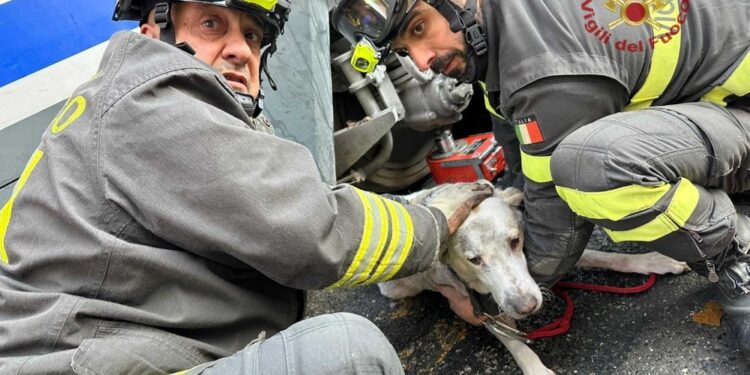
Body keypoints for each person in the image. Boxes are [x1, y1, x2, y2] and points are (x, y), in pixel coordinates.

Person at [0, 0, 494, 373]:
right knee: (343, 353)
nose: (241, 49)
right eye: (212, 24)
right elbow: (312, 231)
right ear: (155, 30)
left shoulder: (123, 101)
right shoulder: (152, 100)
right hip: (90, 362)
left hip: (119, 351)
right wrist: (433, 225)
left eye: (254, 36)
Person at [331, 0, 750, 359]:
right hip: (711, 105)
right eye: (407, 50)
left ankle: (734, 251)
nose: (423, 62)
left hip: (741, 112)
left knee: (591, 168)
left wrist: (487, 294)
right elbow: (523, 172)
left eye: (420, 28)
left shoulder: (542, 71)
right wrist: (507, 229)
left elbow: (556, 225)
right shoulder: (506, 51)